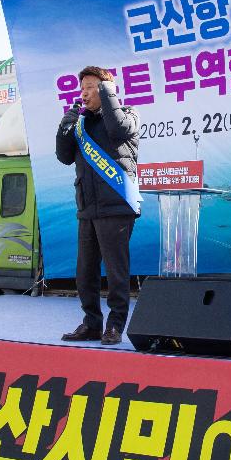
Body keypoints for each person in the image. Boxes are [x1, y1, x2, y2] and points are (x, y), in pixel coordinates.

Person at [55, 66, 141, 345]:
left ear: (107, 89)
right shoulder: (81, 124)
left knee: (116, 271)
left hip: (116, 205)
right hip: (88, 208)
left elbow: (117, 129)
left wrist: (107, 93)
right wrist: (65, 126)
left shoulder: (128, 115)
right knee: (85, 272)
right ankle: (92, 323)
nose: (84, 92)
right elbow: (64, 157)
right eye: (82, 87)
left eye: (91, 87)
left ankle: (115, 326)